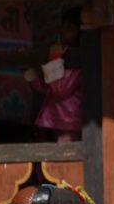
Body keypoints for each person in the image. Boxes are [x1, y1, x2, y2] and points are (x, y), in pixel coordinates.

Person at [25, 8, 82, 143]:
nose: (62, 31)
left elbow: (59, 89)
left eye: (69, 28)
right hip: (56, 119)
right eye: (62, 27)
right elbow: (48, 88)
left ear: (80, 32)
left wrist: (54, 58)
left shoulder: (79, 58)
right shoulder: (61, 52)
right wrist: (29, 73)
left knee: (66, 160)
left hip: (69, 121)